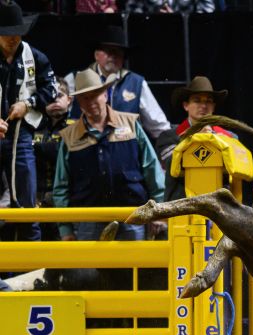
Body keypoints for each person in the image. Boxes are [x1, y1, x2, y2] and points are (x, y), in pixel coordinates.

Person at [53, 69, 165, 242]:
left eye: (95, 94)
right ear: (78, 102)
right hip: (87, 222)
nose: (91, 102)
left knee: (133, 267)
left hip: (133, 216)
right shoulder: (69, 136)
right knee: (88, 269)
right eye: (85, 97)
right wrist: (65, 229)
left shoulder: (131, 124)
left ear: (105, 94)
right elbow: (61, 187)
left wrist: (158, 212)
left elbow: (152, 170)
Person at [0, 1, 58, 243]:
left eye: (17, 32)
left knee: (25, 204)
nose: (13, 38)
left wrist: (29, 103)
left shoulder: (34, 56)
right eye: (7, 33)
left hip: (21, 136)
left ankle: (28, 272)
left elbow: (51, 89)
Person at [67, 25, 170, 141]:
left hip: (125, 151)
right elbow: (60, 116)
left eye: (118, 52)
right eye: (108, 51)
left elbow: (158, 125)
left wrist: (169, 144)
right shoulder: (75, 79)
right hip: (86, 148)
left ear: (123, 58)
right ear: (96, 55)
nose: (113, 56)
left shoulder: (136, 83)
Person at [155, 76, 235, 202]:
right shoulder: (168, 137)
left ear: (213, 107)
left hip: (220, 210)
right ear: (186, 105)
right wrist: (197, 138)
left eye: (208, 101)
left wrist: (213, 139)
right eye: (197, 100)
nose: (203, 105)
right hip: (180, 209)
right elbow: (172, 165)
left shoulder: (229, 138)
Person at [32, 77, 73, 241]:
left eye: (60, 95)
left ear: (69, 100)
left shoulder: (77, 127)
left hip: (65, 201)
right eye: (50, 95)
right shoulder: (31, 127)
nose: (55, 99)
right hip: (34, 200)